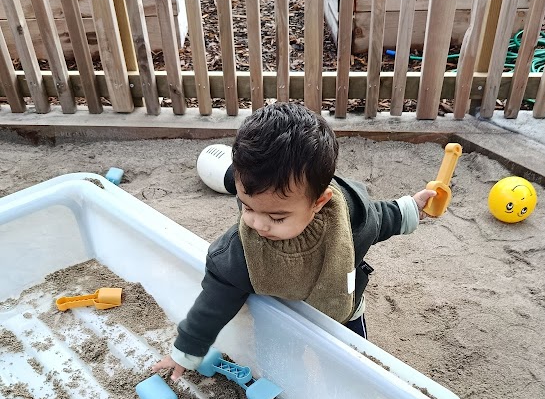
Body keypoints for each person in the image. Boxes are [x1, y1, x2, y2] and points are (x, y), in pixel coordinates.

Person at [153, 103, 436, 381]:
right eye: (247, 208)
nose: (258, 225)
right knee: (279, 362)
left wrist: (410, 209)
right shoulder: (241, 250)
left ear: (319, 203)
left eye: (277, 218)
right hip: (282, 309)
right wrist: (186, 350)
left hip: (342, 302)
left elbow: (380, 217)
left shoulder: (350, 217)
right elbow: (214, 301)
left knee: (350, 363)